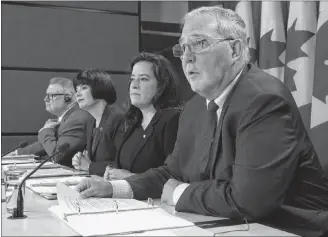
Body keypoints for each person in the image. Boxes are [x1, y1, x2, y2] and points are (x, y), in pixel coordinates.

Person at [75, 6, 328, 237]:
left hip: (288, 229)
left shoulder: (264, 100)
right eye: (182, 48)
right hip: (224, 225)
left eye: (198, 44)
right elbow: (172, 172)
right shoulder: (195, 107)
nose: (186, 58)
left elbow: (249, 201)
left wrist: (178, 192)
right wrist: (114, 188)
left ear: (235, 50)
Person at [103, 52, 181, 180]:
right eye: (133, 78)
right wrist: (111, 173)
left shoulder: (172, 119)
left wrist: (130, 178)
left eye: (143, 79)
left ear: (162, 85)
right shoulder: (133, 122)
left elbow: (175, 178)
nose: (134, 85)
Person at [16, 77, 94, 167]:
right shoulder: (68, 116)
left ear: (68, 97)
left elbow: (58, 157)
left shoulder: (76, 119)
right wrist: (16, 153)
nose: (45, 99)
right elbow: (45, 145)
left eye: (51, 96)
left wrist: (45, 131)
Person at [71, 69, 124, 176]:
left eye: (84, 88)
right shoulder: (91, 121)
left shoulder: (117, 118)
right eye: (77, 90)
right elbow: (92, 158)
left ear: (99, 88)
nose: (77, 94)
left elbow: (124, 165)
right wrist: (80, 159)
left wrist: (90, 166)